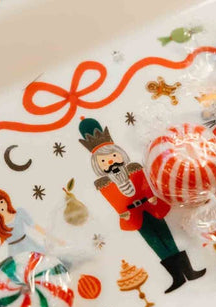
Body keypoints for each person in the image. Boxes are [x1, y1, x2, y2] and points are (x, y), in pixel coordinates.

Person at [78, 117, 204, 292]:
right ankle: (177, 277)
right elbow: (114, 201)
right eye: (104, 161)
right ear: (98, 165)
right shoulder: (104, 184)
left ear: (120, 154)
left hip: (150, 206)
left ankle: (188, 271)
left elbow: (145, 184)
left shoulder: (134, 168)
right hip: (133, 215)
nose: (111, 162)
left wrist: (152, 197)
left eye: (113, 157)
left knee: (166, 236)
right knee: (155, 243)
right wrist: (122, 213)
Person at [0, 188, 47, 276]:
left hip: (28, 244)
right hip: (14, 251)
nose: (0, 207)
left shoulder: (20, 212)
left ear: (6, 200)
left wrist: (56, 239)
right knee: (22, 272)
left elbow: (36, 227)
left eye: (1, 202)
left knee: (43, 264)